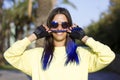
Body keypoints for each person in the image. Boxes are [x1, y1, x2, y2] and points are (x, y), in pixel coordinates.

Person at [4, 7, 115, 80]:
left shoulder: (82, 54)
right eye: (54, 24)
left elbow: (108, 56)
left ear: (70, 28)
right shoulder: (36, 55)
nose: (59, 27)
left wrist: (84, 38)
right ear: (49, 28)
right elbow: (10, 55)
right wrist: (33, 36)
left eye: (65, 25)